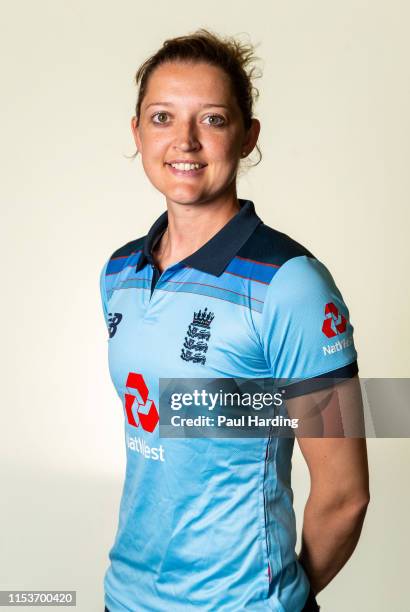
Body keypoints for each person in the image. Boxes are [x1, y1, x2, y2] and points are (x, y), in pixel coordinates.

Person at [99, 29, 370, 612]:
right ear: (137, 132)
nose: (186, 141)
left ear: (248, 137)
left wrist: (277, 598)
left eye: (214, 119)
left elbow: (345, 495)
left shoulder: (290, 284)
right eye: (163, 117)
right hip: (125, 597)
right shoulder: (119, 272)